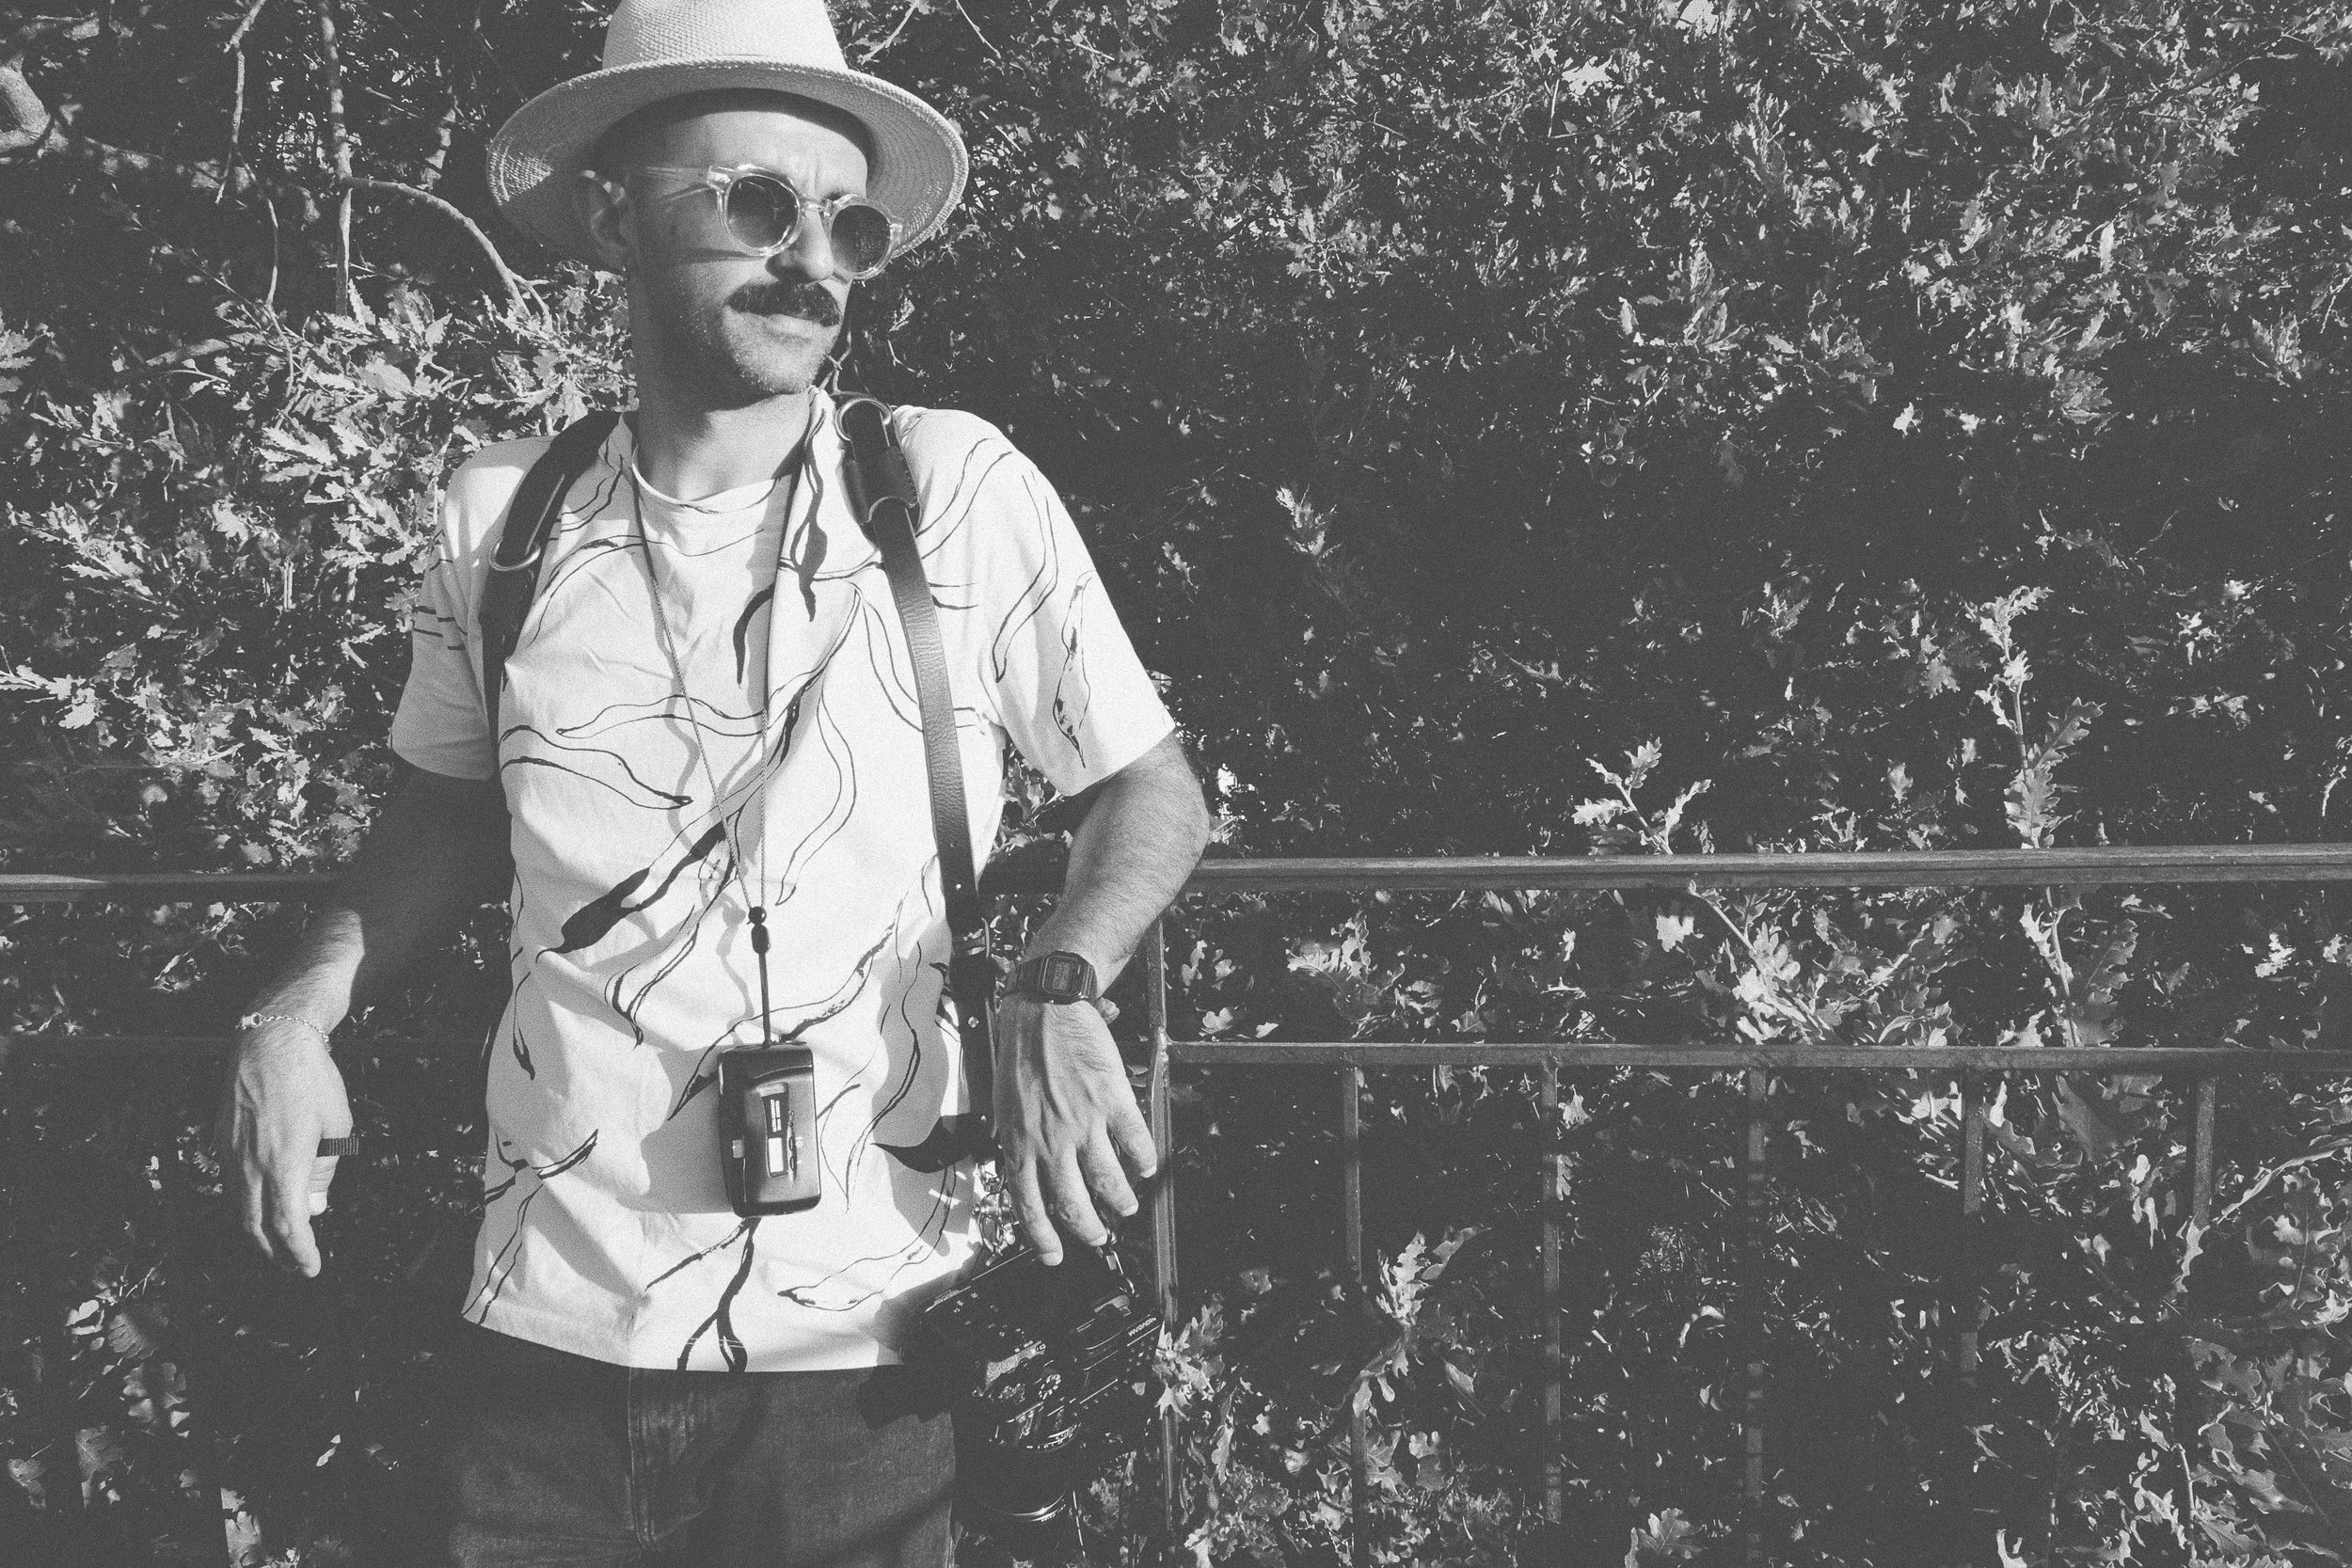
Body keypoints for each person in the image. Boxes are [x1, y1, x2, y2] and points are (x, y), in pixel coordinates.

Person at [213, 0, 1212, 1559]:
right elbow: (446, 808)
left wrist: (1060, 980)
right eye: (754, 201)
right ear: (615, 215)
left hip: (861, 1348)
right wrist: (299, 1006)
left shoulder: (949, 490)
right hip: (543, 1329)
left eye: (848, 220)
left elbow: (1151, 790)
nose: (811, 257)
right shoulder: (502, 518)